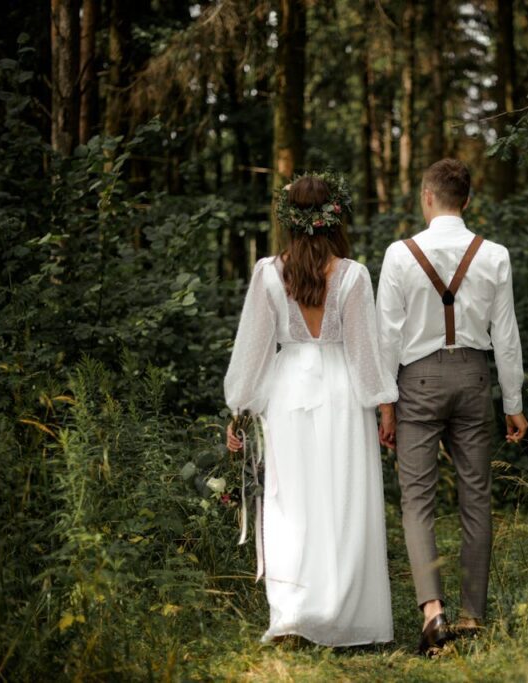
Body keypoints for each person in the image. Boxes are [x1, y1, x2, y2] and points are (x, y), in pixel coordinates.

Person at [223, 173, 397, 647]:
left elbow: (253, 349)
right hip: (342, 392)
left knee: (291, 502)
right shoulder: (354, 275)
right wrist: (385, 407)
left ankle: (295, 614)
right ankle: (342, 614)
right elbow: (365, 352)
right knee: (343, 501)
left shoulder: (267, 273)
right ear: (335, 215)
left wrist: (238, 408)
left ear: (289, 219)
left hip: (288, 393)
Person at [375, 158, 528, 656]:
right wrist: (513, 402)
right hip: (472, 377)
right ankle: (471, 617)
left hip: (415, 380)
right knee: (475, 498)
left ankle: (432, 615)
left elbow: (386, 338)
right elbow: (506, 335)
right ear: (468, 200)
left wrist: (386, 405)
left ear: (426, 196)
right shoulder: (495, 255)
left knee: (417, 500)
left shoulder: (400, 255)